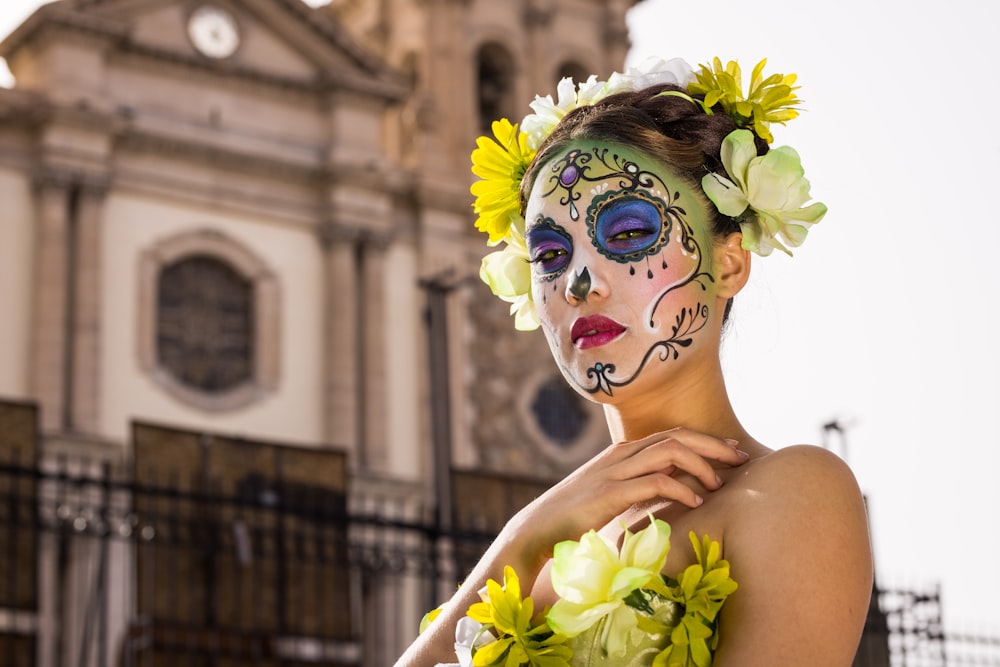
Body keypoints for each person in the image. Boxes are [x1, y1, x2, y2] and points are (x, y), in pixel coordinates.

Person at [396, 57, 872, 666]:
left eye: (626, 234)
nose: (578, 282)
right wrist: (519, 542)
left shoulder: (792, 491)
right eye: (549, 252)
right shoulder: (545, 550)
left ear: (729, 264)